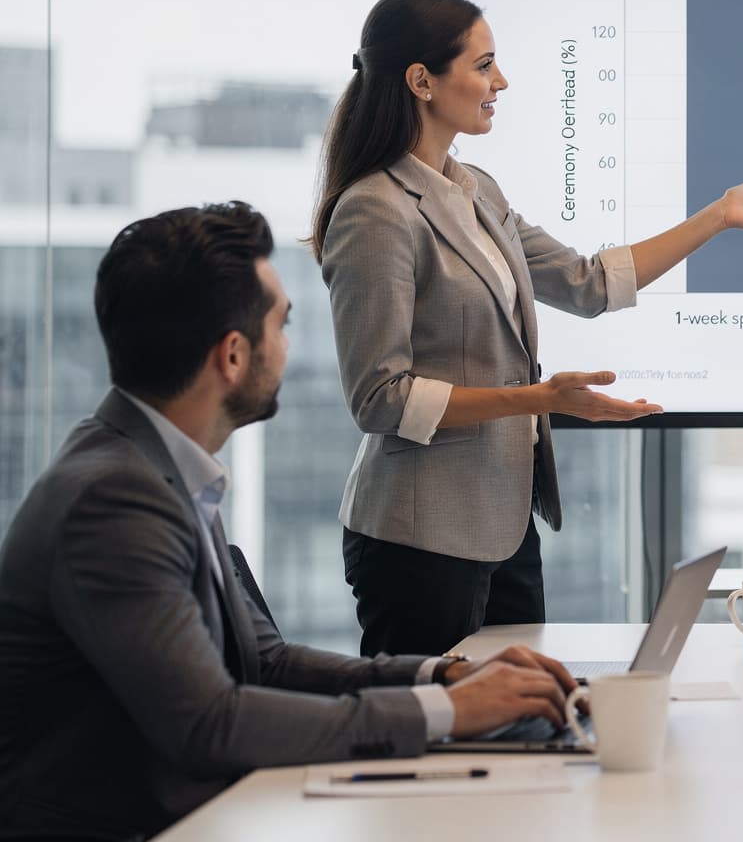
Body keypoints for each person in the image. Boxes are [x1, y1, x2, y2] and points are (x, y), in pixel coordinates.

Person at [0, 204, 579, 840]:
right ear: (232, 355)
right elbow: (211, 724)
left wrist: (443, 676)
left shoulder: (152, 466)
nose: (289, 344)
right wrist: (444, 712)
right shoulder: (114, 502)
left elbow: (265, 663)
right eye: (282, 324)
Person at [312, 0, 743, 656]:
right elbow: (381, 399)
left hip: (502, 523)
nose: (501, 81)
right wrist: (539, 399)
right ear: (421, 81)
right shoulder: (375, 209)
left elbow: (588, 283)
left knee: (524, 706)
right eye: (484, 65)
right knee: (440, 717)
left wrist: (720, 216)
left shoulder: (476, 190)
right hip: (420, 537)